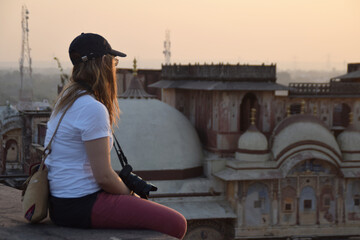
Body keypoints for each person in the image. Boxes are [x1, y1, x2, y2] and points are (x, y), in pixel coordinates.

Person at [44, 33, 187, 239]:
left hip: (60, 203)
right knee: (176, 223)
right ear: (104, 62)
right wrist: (130, 195)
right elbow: (103, 177)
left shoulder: (66, 100)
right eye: (114, 62)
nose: (114, 67)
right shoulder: (92, 107)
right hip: (82, 204)